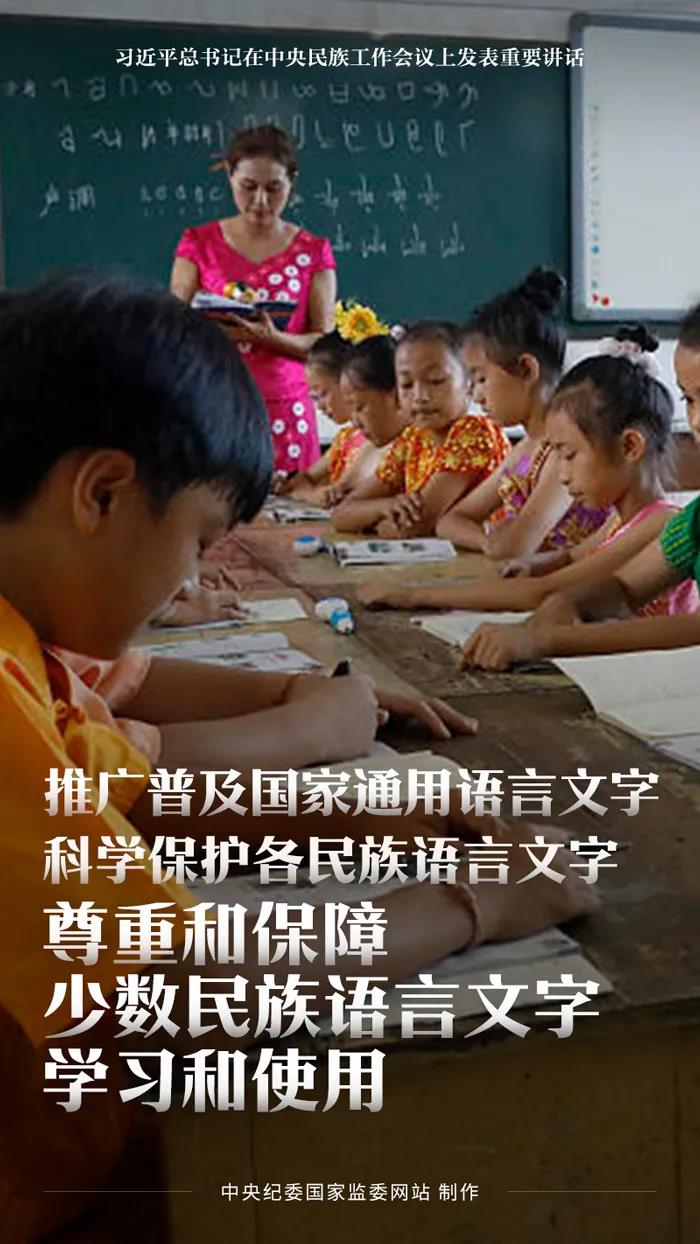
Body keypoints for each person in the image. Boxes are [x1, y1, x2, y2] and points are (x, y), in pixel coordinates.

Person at [0, 275, 598, 1239]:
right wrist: (472, 904)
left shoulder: (23, 648)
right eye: (199, 539)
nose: (191, 579)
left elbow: (118, 801)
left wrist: (369, 823)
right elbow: (181, 998)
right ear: (102, 492)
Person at [358, 332, 697, 619]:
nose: (563, 476)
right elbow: (569, 557)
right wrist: (533, 564)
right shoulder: (617, 520)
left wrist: (414, 596)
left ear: (630, 447)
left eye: (569, 456)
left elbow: (545, 593)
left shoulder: (660, 524)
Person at [459, 303, 700, 669]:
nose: (696, 421)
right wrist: (565, 604)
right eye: (690, 400)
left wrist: (546, 640)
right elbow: (623, 587)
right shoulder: (693, 523)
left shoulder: (662, 517)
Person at [170, 124, 336, 474]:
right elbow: (173, 328)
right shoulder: (198, 243)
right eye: (248, 187)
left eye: (274, 188)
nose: (260, 201)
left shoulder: (312, 250)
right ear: (230, 176)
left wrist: (271, 339)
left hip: (286, 408)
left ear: (292, 182)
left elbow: (325, 343)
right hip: (213, 401)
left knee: (291, 502)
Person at [437, 268, 611, 558]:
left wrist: (500, 542)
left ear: (527, 369)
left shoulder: (566, 453)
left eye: (481, 379)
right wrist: (487, 541)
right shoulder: (525, 450)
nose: (476, 395)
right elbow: (449, 522)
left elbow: (514, 548)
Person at [333, 322, 508, 537]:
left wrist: (371, 522)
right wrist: (384, 506)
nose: (419, 396)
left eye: (435, 381)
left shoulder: (474, 433)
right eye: (406, 384)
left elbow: (415, 525)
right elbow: (341, 515)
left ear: (469, 384)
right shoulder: (413, 438)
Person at [273, 331, 369, 506]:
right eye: (314, 397)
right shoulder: (345, 439)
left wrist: (302, 494)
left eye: (322, 394)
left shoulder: (374, 440)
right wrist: (286, 483)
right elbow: (307, 477)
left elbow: (336, 498)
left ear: (347, 383)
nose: (319, 406)